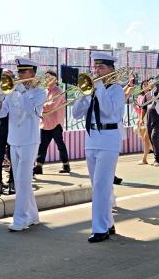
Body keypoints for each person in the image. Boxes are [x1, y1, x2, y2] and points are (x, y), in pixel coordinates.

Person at [72, 53, 125, 242]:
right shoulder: (94, 90)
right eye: (95, 68)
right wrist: (84, 95)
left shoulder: (116, 89)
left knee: (102, 185)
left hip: (109, 139)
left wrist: (99, 87)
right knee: (97, 186)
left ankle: (100, 228)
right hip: (92, 138)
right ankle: (108, 223)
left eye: (101, 68)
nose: (97, 71)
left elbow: (109, 110)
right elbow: (76, 114)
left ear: (111, 70)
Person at [0, 58, 47, 231]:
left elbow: (32, 110)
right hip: (14, 139)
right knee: (19, 180)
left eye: (23, 72)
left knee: (23, 180)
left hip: (29, 140)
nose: (19, 75)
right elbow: (0, 114)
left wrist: (21, 91)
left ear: (32, 73)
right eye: (19, 72)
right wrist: (1, 97)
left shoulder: (40, 92)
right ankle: (32, 215)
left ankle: (20, 219)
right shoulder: (14, 92)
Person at [36, 71, 72, 175]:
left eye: (49, 77)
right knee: (42, 146)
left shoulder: (59, 91)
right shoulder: (44, 91)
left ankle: (66, 165)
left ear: (55, 79)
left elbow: (51, 106)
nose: (46, 79)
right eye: (46, 77)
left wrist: (39, 107)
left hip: (56, 123)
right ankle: (39, 166)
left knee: (60, 145)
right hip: (45, 122)